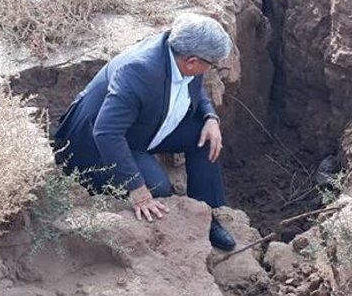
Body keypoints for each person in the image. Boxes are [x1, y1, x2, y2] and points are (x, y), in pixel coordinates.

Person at [51, 14, 236, 251]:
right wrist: (137, 190)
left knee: (205, 137)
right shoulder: (139, 70)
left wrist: (210, 117)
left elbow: (194, 87)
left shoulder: (178, 51)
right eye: (211, 65)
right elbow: (106, 133)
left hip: (147, 126)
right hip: (98, 146)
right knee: (157, 188)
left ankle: (206, 215)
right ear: (191, 61)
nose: (210, 70)